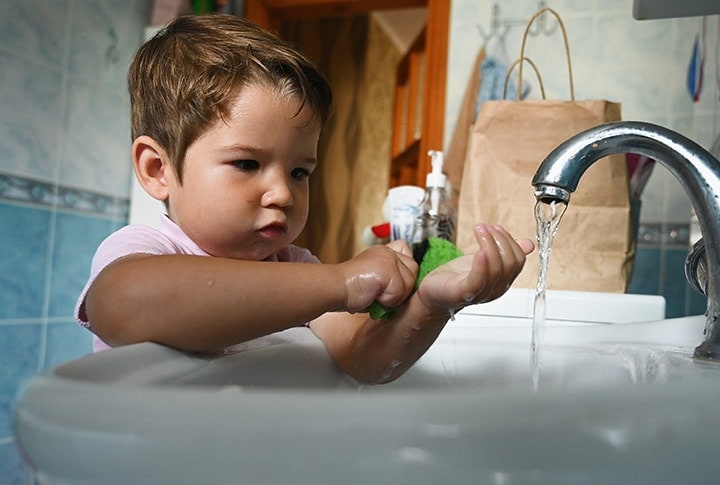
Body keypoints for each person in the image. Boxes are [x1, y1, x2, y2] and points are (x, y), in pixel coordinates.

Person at [75, 14, 534, 384]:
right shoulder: (146, 252)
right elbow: (125, 305)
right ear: (158, 170)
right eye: (247, 165)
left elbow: (366, 359)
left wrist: (431, 305)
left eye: (299, 172)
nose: (282, 193)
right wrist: (343, 283)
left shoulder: (295, 267)